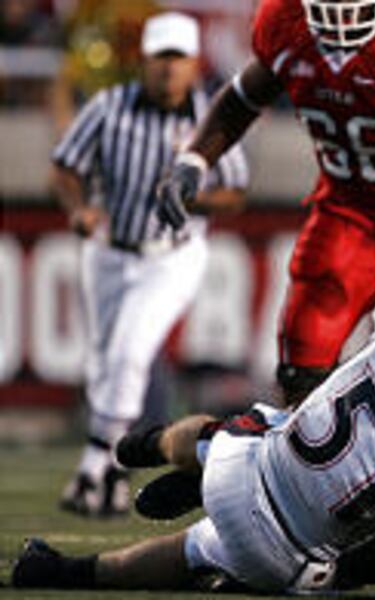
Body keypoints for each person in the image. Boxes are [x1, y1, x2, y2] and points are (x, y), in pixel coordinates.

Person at [12, 276, 375, 597]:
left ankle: (156, 447)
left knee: (247, 428)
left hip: (246, 465)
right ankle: (60, 571)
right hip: (285, 554)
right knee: (202, 552)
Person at [154, 0, 375, 407]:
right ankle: (309, 462)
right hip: (350, 212)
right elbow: (244, 97)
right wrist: (194, 159)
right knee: (302, 360)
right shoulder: (284, 21)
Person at [52, 11, 249, 518]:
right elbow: (66, 162)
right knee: (102, 364)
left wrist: (193, 200)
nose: (168, 69)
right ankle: (110, 477)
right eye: (160, 58)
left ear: (193, 64)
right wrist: (79, 210)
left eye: (178, 58)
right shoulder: (109, 105)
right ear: (143, 61)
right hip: (108, 249)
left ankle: (97, 467)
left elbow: (236, 193)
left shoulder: (211, 116)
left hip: (172, 254)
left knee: (130, 351)